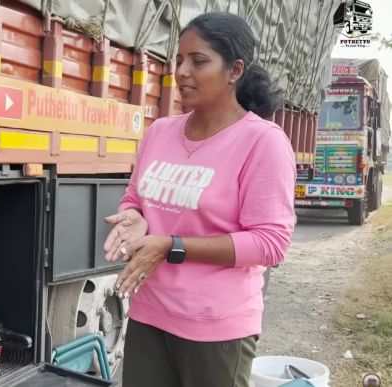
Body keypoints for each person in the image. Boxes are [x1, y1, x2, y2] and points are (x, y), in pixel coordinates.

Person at [102, 12, 296, 387]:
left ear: (235, 70)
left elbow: (271, 243)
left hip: (216, 329)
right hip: (149, 313)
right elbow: (134, 197)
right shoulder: (160, 132)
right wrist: (134, 216)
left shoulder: (262, 142)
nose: (182, 71)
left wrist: (172, 246)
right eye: (179, 60)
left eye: (199, 61)